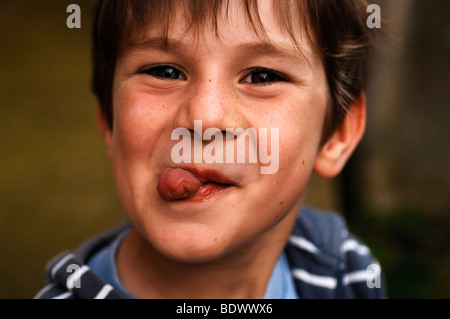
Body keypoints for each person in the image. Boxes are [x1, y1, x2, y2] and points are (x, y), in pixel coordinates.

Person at [35, 0, 386, 299]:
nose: (203, 117)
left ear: (337, 135)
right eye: (164, 71)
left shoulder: (348, 272)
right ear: (109, 122)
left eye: (262, 76)